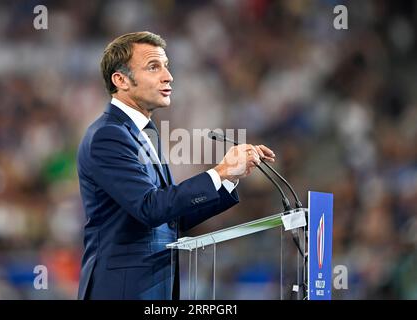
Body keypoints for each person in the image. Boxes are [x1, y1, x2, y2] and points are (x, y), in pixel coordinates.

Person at [76, 31, 276, 300]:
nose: (168, 76)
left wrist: (228, 179)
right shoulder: (108, 135)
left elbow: (170, 217)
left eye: (166, 66)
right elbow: (150, 208)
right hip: (122, 291)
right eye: (153, 67)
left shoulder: (145, 132)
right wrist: (219, 172)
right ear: (120, 80)